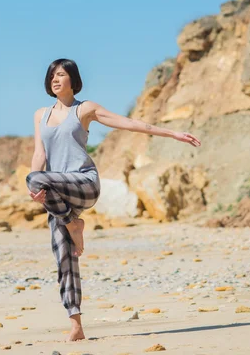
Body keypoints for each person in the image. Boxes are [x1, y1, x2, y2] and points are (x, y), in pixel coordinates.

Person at [26, 58, 201, 342]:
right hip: (57, 194)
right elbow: (39, 156)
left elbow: (128, 123)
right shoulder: (40, 115)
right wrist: (34, 191)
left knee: (39, 182)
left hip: (83, 182)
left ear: (73, 79)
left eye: (61, 75)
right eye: (51, 76)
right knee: (64, 259)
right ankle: (76, 325)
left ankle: (73, 223)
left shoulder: (85, 109)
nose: (55, 80)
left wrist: (172, 133)